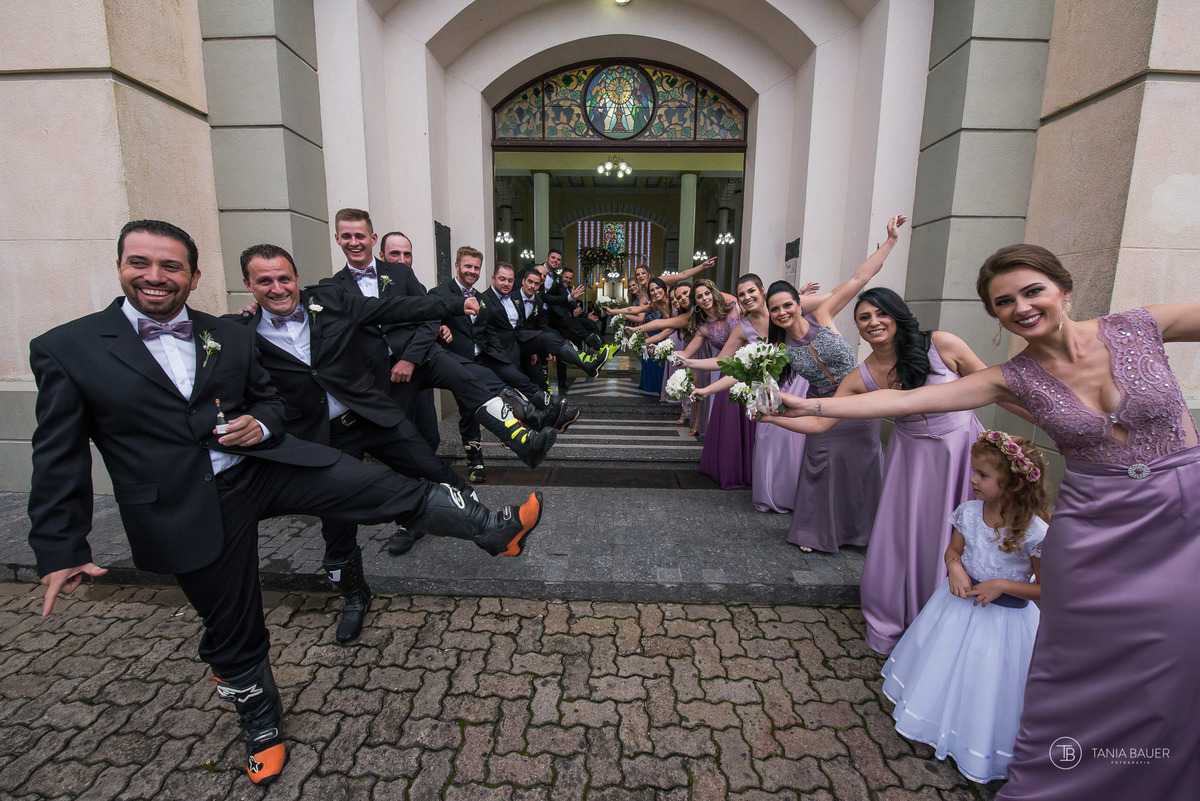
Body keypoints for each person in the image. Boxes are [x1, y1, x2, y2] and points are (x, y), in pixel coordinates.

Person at [26, 220, 545, 787]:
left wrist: (261, 422)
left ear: (193, 276)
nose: (155, 276)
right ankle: (262, 724)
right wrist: (59, 545)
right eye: (140, 264)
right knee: (232, 627)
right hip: (183, 505)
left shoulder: (225, 335)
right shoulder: (67, 348)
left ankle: (491, 530)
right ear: (120, 266)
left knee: (367, 485)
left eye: (171, 266)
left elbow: (269, 402)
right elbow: (58, 454)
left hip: (263, 469)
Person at [771, 244, 1200, 800]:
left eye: (1032, 291)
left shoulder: (1140, 326)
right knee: (1081, 656)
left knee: (1180, 650)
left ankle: (1169, 766)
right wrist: (811, 407)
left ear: (1063, 290)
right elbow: (899, 404)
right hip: (1098, 521)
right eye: (1004, 302)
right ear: (995, 316)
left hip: (1185, 507)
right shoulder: (1011, 376)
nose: (1020, 306)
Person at [235, 243, 480, 642]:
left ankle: (488, 525)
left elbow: (391, 310)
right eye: (265, 281)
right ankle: (354, 595)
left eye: (284, 278)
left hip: (372, 418)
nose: (277, 288)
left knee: (433, 468)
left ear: (296, 278)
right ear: (248, 284)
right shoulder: (239, 334)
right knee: (337, 527)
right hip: (323, 439)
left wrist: (454, 304)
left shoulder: (329, 300)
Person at [764, 286, 987, 651]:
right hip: (911, 458)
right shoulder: (862, 376)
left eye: (880, 314)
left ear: (897, 315)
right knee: (913, 533)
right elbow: (821, 423)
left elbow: (992, 385)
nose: (873, 322)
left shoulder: (942, 344)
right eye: (864, 318)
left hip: (959, 449)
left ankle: (962, 615)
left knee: (964, 527)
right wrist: (773, 420)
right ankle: (915, 610)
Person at [882, 432, 1048, 784]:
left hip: (1005, 624)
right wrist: (954, 568)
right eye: (974, 472)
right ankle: (935, 716)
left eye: (983, 475)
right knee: (943, 666)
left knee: (987, 682)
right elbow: (953, 552)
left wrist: (1002, 584)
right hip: (956, 608)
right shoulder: (970, 513)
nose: (972, 479)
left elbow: (1046, 590)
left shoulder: (1036, 532)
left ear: (1015, 485)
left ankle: (976, 738)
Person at [763, 214, 907, 551]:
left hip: (860, 402)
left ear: (799, 304)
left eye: (787, 305)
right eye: (775, 310)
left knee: (863, 468)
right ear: (770, 315)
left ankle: (862, 533)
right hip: (822, 406)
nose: (782, 312)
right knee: (819, 467)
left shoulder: (824, 314)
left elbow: (860, 277)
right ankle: (814, 533)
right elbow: (758, 379)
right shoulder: (777, 348)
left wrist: (890, 242)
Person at [430, 246, 580, 476]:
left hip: (483, 360)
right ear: (457, 266)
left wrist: (502, 359)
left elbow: (487, 332)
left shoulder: (480, 299)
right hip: (456, 363)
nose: (472, 271)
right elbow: (426, 325)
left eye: (476, 267)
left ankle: (536, 422)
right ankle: (475, 461)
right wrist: (439, 329)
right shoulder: (439, 293)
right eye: (467, 266)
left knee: (503, 392)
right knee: (469, 412)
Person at [683, 275, 823, 510]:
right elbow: (723, 362)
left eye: (751, 291)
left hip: (799, 383)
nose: (747, 297)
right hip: (768, 389)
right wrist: (691, 366)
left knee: (799, 443)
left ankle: (802, 499)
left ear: (762, 291)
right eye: (742, 294)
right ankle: (774, 496)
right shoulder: (741, 328)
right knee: (768, 439)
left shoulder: (781, 313)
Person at [509, 266, 612, 389]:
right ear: (523, 281)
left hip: (529, 344)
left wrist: (542, 347)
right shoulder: (510, 298)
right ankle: (588, 363)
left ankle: (588, 363)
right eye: (530, 282)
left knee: (541, 383)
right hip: (512, 344)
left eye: (537, 283)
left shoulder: (538, 301)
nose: (533, 286)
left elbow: (541, 327)